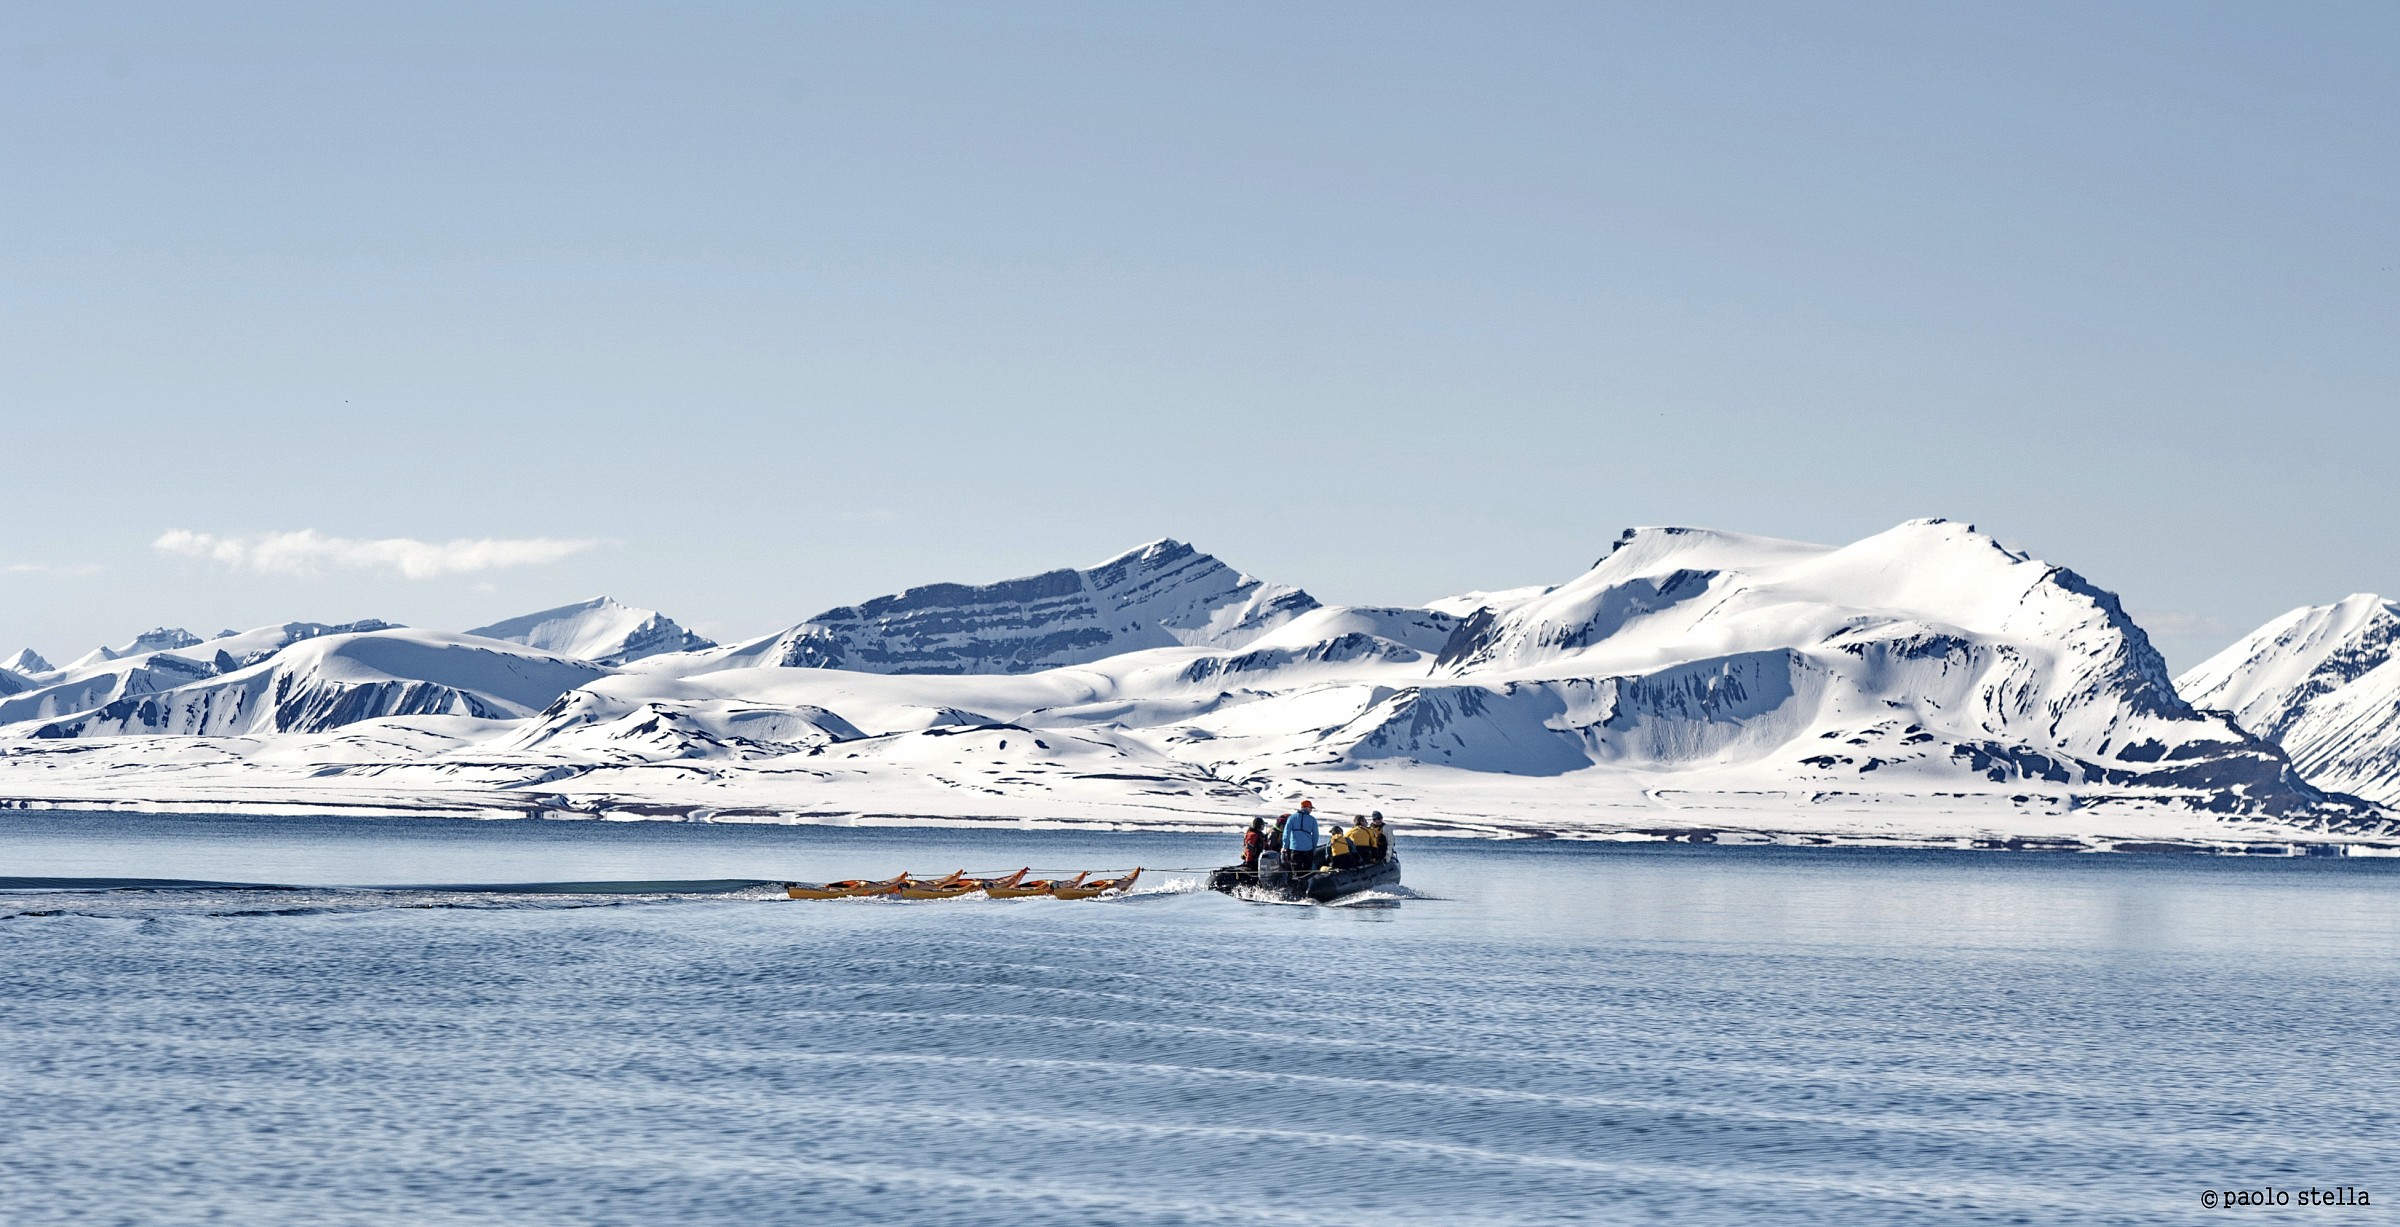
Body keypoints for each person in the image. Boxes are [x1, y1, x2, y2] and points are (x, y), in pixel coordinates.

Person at [1282, 800, 1320, 872]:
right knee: (1307, 872)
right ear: (1307, 808)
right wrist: (1314, 847)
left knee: (1296, 871)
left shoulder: (1292, 818)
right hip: (1308, 849)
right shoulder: (1312, 820)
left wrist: (1285, 846)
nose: (1311, 810)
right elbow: (1316, 835)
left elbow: (1286, 833)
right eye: (1310, 808)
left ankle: (1296, 882)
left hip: (1295, 848)